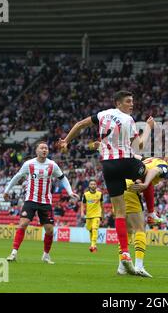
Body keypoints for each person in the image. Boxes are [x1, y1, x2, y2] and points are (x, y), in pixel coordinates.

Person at [58, 90, 154, 275]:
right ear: (118, 103)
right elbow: (140, 145)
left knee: (119, 212)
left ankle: (125, 253)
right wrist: (149, 127)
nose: (131, 104)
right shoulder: (129, 120)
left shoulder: (102, 115)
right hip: (126, 162)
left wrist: (66, 141)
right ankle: (151, 212)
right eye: (128, 101)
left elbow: (80, 124)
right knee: (148, 172)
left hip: (108, 166)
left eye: (132, 101)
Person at [4, 142, 79, 264]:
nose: (44, 150)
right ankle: (13, 253)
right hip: (31, 200)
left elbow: (63, 178)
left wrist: (70, 192)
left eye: (46, 148)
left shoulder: (52, 165)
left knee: (49, 230)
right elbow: (17, 177)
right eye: (42, 148)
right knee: (23, 224)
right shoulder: (29, 164)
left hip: (45, 202)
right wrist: (7, 190)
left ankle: (46, 255)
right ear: (36, 151)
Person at [120, 156, 168, 278]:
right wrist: (145, 183)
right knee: (139, 229)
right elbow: (153, 174)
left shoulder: (151, 160)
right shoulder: (163, 166)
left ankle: (122, 267)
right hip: (132, 188)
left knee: (128, 231)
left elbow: (149, 186)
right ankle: (139, 266)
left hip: (121, 186)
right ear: (166, 159)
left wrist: (151, 212)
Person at [81, 179, 103, 253]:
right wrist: (82, 212)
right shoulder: (86, 194)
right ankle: (93, 245)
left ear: (96, 185)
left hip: (97, 215)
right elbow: (83, 205)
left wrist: (102, 214)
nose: (93, 185)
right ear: (89, 185)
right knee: (90, 230)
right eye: (91, 184)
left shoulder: (100, 194)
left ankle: (93, 245)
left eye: (94, 184)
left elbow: (102, 205)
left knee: (94, 229)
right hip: (89, 215)